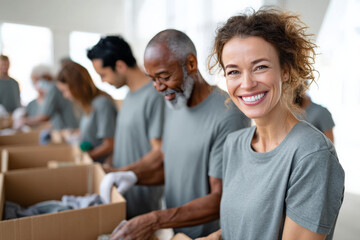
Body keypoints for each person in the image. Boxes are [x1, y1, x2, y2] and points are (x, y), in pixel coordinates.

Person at [201, 7, 345, 240]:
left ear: (285, 71)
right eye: (234, 71)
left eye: (260, 67)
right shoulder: (233, 144)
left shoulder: (312, 155)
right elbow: (243, 226)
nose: (246, 84)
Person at [109, 29, 250, 240]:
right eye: (152, 79)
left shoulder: (228, 114)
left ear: (191, 64)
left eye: (164, 77)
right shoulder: (174, 104)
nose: (158, 87)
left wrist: (154, 220)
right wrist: (130, 176)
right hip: (179, 233)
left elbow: (221, 197)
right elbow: (174, 170)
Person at [87, 36, 165, 218]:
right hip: (121, 193)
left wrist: (118, 173)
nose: (103, 81)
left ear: (120, 66)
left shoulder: (154, 96)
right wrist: (110, 165)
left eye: (103, 74)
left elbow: (158, 152)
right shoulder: (129, 95)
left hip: (142, 199)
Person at [57, 61, 117, 163]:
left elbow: (110, 145)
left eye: (66, 91)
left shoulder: (102, 104)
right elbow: (93, 132)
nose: (65, 96)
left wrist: (84, 157)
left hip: (102, 166)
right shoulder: (89, 105)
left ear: (77, 87)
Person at [21, 64, 79, 130]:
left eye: (35, 81)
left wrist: (23, 121)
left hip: (68, 130)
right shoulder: (53, 87)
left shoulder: (53, 88)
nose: (36, 85)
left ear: (43, 77)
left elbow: (44, 116)